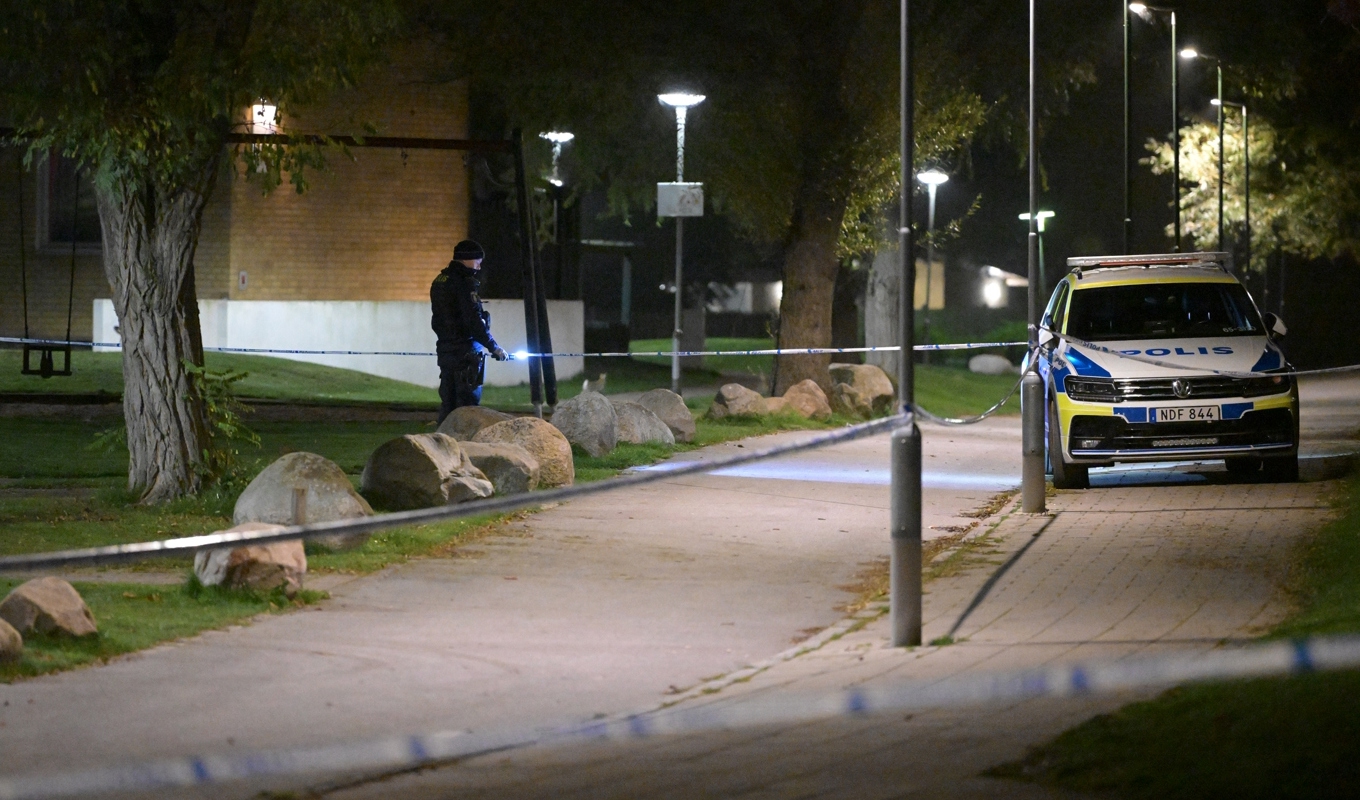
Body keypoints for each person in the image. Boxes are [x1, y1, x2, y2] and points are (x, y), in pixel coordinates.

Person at [431, 239, 508, 423]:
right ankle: (466, 449)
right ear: (466, 259)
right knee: (468, 409)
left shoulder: (440, 280)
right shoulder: (464, 283)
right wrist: (494, 347)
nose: (479, 267)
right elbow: (473, 322)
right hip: (466, 354)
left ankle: (442, 447)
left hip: (446, 350)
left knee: (448, 406)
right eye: (477, 262)